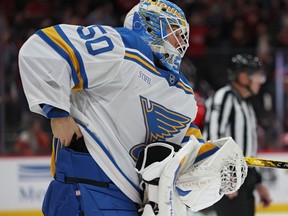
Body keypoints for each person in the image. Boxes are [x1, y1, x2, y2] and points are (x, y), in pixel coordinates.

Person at [18, 0, 247, 215]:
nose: (181, 42)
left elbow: (185, 145)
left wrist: (213, 164)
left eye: (182, 36)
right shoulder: (123, 46)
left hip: (134, 202)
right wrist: (57, 114)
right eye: (174, 32)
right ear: (148, 24)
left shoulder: (183, 94)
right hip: (86, 185)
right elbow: (45, 47)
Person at [203, 54, 272, 216]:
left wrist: (258, 182)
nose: (260, 81)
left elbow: (249, 150)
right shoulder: (224, 97)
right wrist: (224, 177)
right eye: (257, 76)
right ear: (242, 76)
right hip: (230, 179)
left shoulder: (246, 103)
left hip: (246, 180)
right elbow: (212, 138)